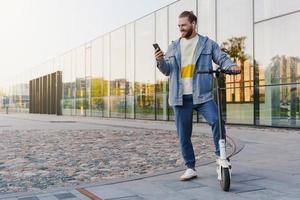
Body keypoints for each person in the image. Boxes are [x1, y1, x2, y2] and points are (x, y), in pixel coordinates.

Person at [154, 11, 240, 181]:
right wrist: (160, 61)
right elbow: (167, 70)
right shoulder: (173, 46)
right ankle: (190, 167)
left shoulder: (207, 44)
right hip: (180, 97)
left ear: (193, 24)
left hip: (202, 95)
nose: (181, 29)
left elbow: (221, 58)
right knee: (184, 134)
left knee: (217, 121)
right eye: (179, 26)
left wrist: (232, 66)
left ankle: (220, 157)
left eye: (183, 25)